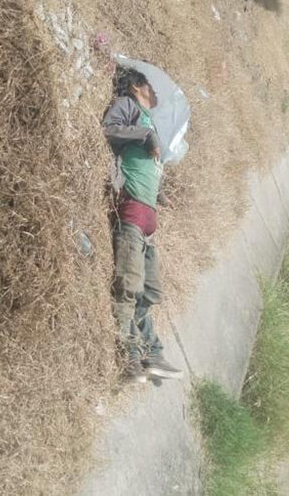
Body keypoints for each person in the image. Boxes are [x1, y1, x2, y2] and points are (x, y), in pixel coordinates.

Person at [102, 67, 183, 384]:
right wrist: (145, 135)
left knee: (150, 292)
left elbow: (148, 165)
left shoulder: (149, 123)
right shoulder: (127, 105)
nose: (156, 93)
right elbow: (109, 129)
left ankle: (152, 354)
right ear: (137, 86)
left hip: (149, 219)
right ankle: (131, 357)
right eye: (150, 85)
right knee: (129, 287)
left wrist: (161, 194)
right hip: (133, 211)